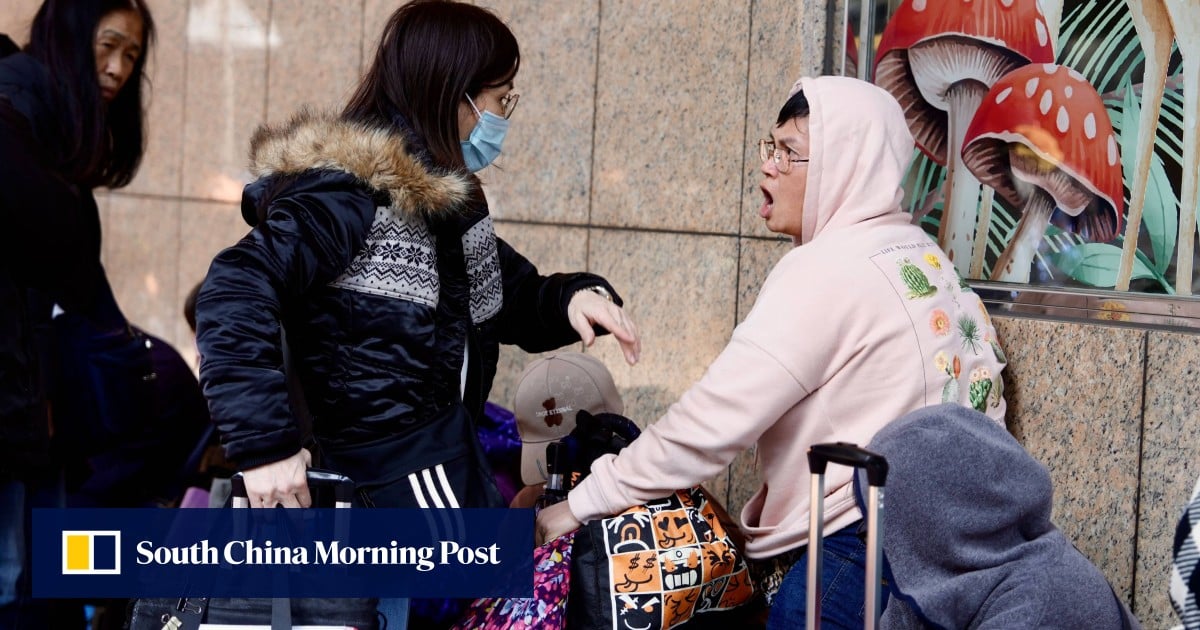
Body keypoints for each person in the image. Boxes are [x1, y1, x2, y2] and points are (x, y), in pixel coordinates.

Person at [193, 0, 640, 626]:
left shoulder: (445, 204)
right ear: (455, 94)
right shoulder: (346, 194)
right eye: (501, 99)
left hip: (422, 474)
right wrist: (264, 445)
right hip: (368, 491)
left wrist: (571, 299)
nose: (502, 117)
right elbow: (234, 287)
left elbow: (506, 294)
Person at [536, 75, 1009, 629]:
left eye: (790, 153)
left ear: (845, 166)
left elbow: (713, 422)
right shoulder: (924, 257)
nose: (768, 166)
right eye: (771, 146)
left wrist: (583, 502)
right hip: (962, 542)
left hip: (863, 550)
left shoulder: (829, 270)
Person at [0, 1, 153, 627]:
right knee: (16, 580)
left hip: (36, 404)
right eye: (107, 45)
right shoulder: (15, 106)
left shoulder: (49, 123)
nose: (117, 69)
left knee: (42, 577)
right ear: (68, 36)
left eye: (131, 55)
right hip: (16, 401)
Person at [862, 403, 1141, 629]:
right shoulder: (940, 575)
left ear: (938, 522)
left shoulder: (1040, 607)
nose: (864, 534)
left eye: (886, 522)